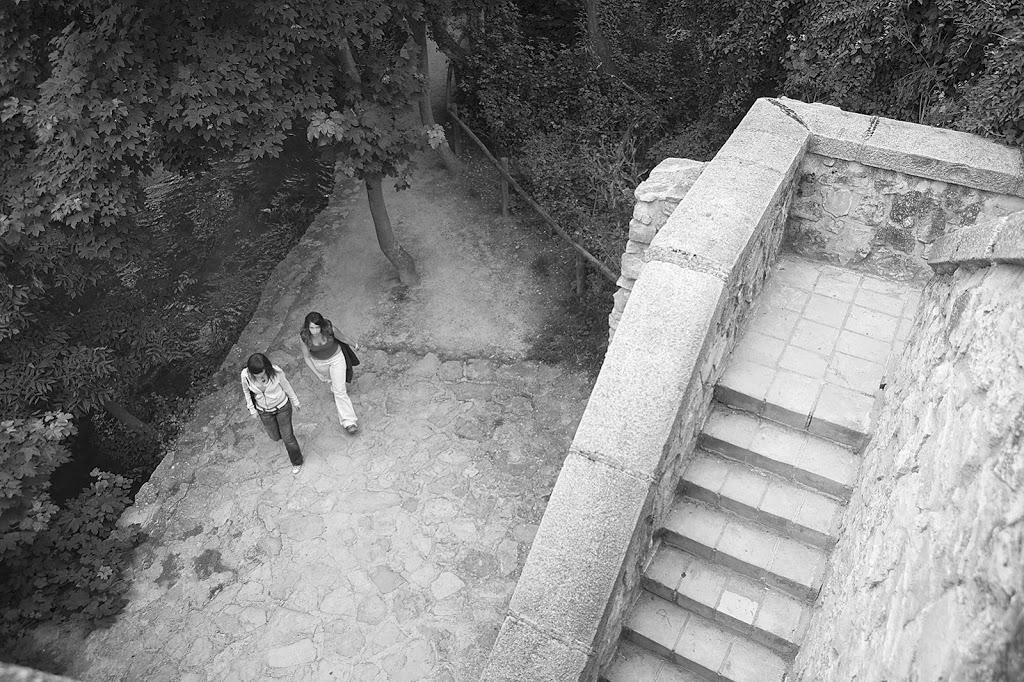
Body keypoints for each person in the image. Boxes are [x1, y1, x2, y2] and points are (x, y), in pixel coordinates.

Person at [240, 353, 304, 474]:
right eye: (256, 374)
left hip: (282, 407)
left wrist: (295, 401)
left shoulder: (276, 372)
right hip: (264, 411)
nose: (259, 376)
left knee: (288, 438)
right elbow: (246, 391)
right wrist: (251, 409)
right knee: (275, 437)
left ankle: (297, 462)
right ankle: (283, 435)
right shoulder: (245, 375)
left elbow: (286, 386)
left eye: (262, 373)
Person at [299, 311, 361, 434]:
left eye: (317, 327)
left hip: (336, 359)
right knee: (334, 383)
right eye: (312, 328)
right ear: (307, 327)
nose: (315, 331)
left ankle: (349, 421)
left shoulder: (329, 329)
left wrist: (354, 344)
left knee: (340, 391)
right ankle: (334, 385)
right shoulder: (304, 337)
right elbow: (306, 357)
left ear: (321, 325)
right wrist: (318, 374)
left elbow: (342, 337)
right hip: (320, 364)